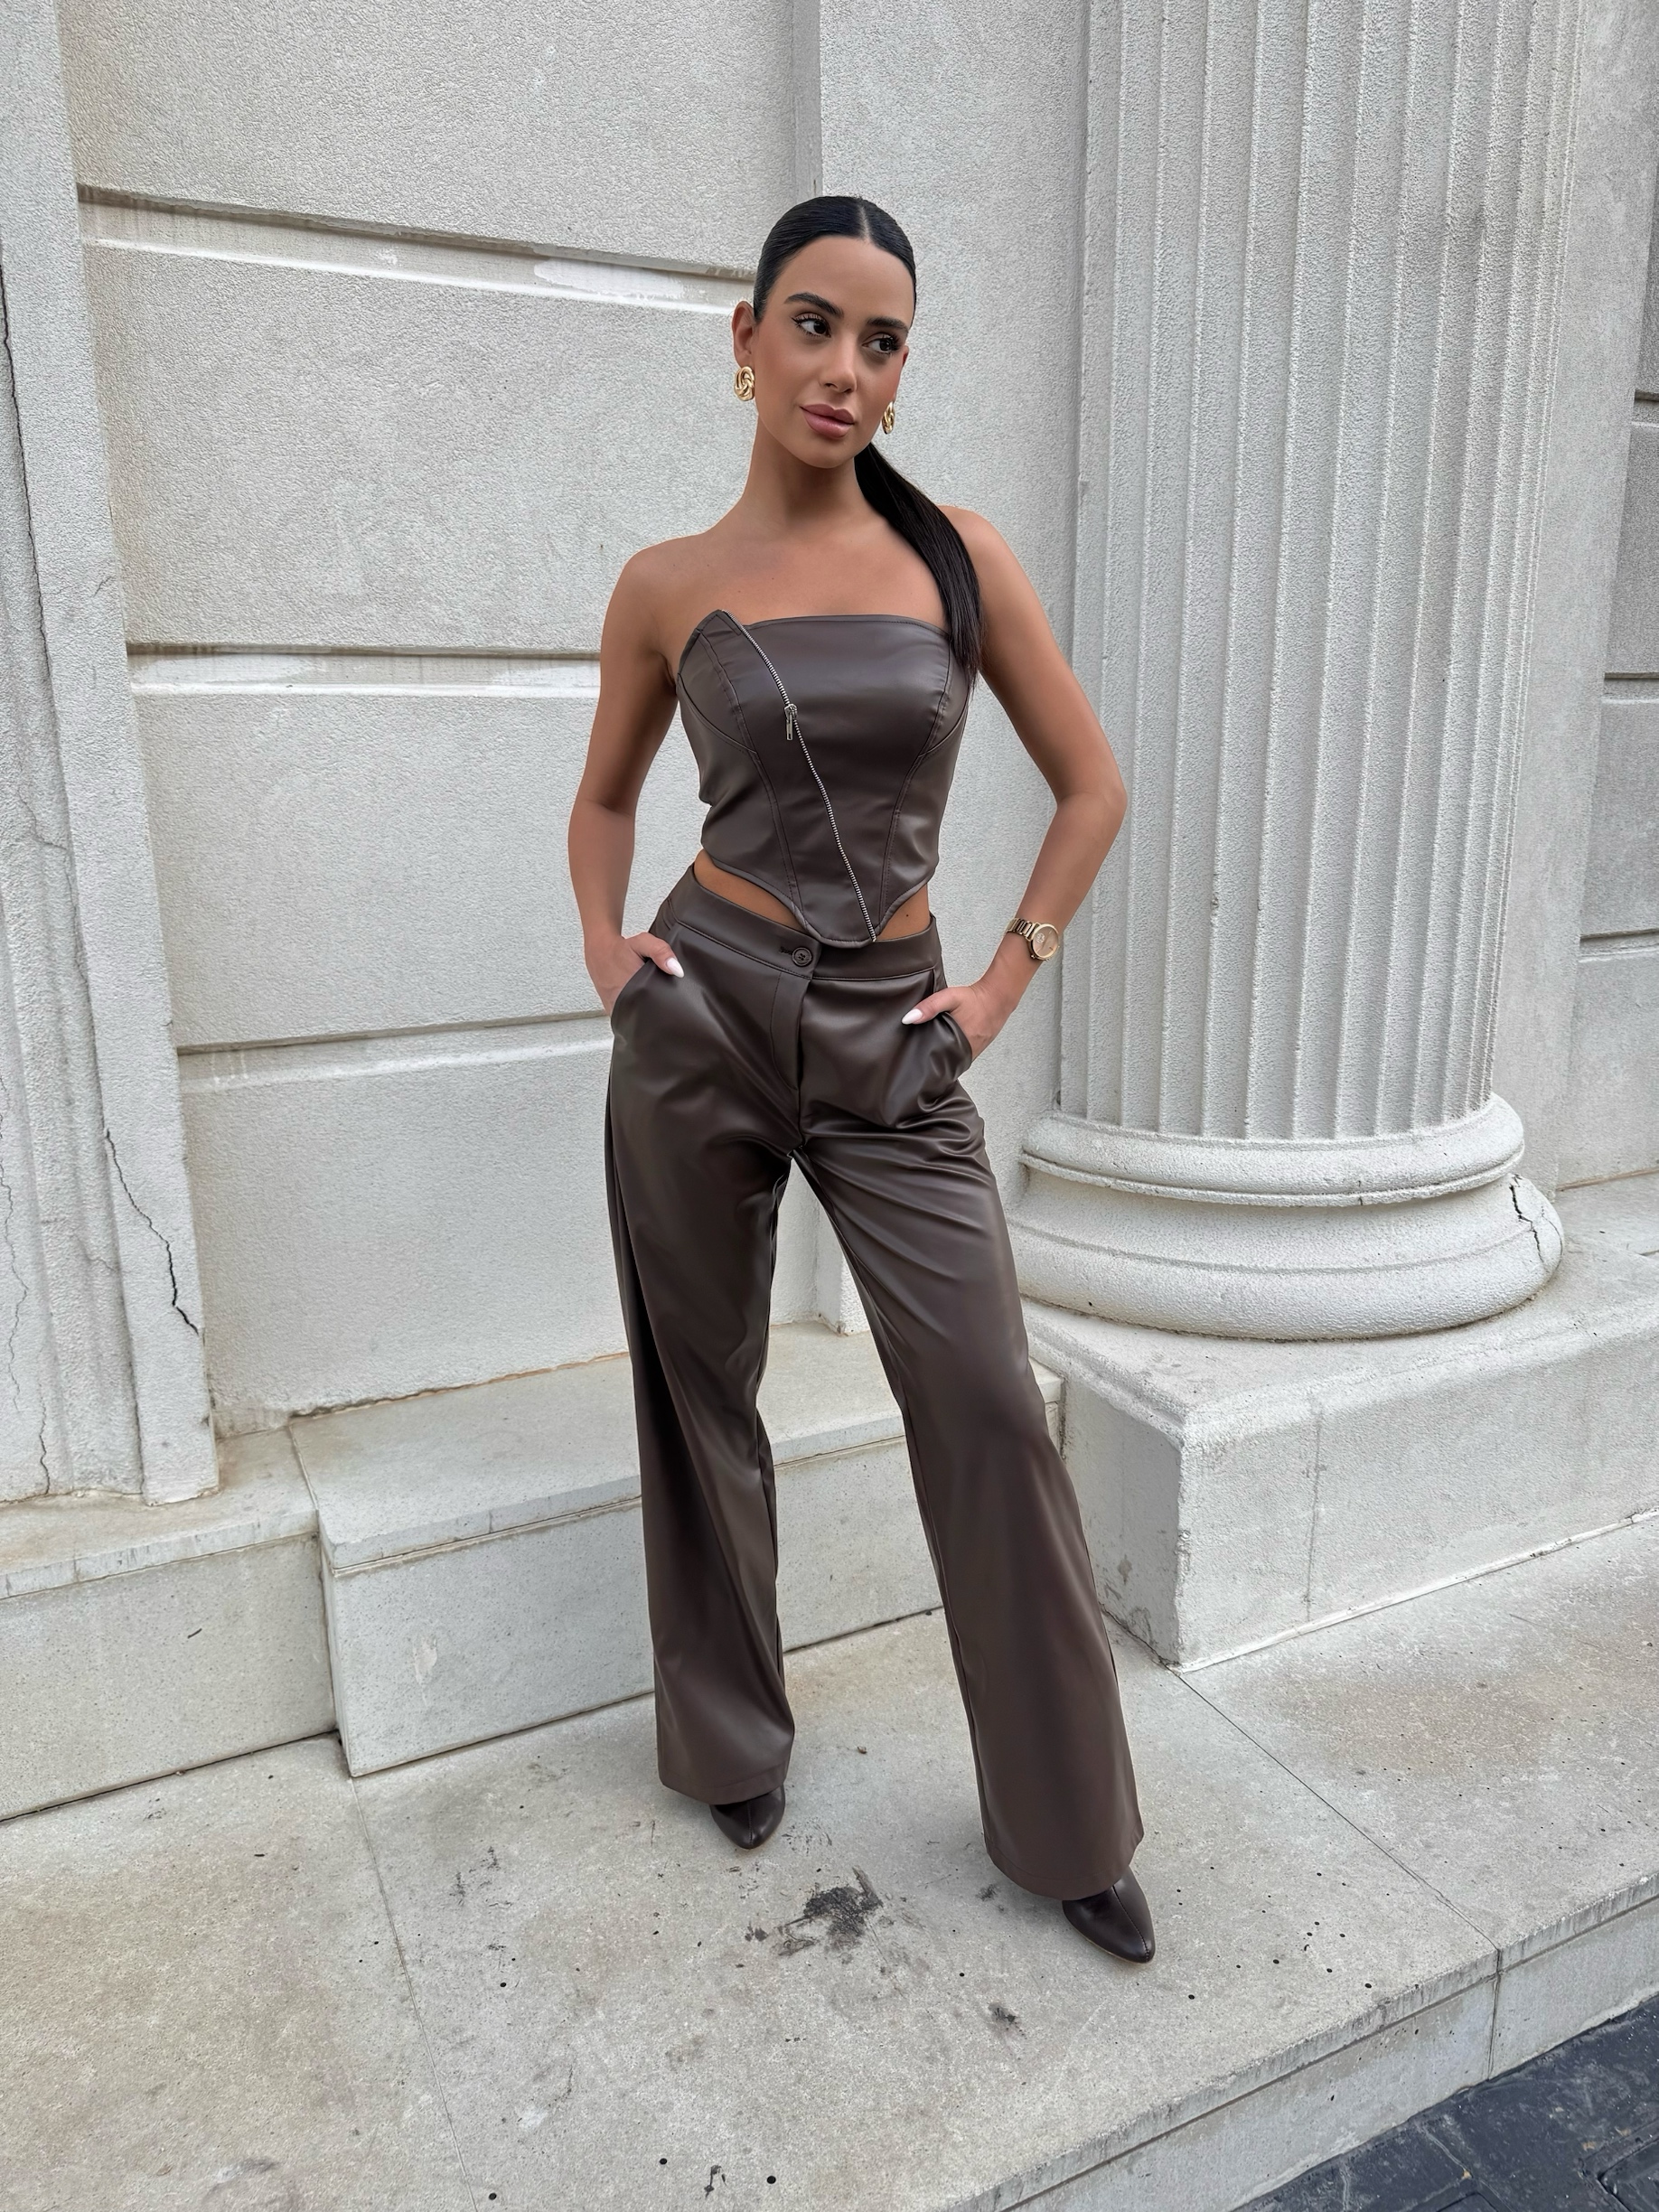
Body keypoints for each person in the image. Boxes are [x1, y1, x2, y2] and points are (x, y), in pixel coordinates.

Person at [567, 195, 1153, 1964]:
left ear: (902, 373)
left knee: (983, 1401)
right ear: (745, 341)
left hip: (898, 1031)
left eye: (881, 341)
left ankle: (1069, 1824)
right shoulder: (666, 583)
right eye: (814, 325)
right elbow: (606, 798)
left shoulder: (957, 558)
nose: (844, 367)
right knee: (701, 1386)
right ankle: (730, 1741)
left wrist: (1001, 983)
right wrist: (608, 953)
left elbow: (1093, 786)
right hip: (707, 1013)